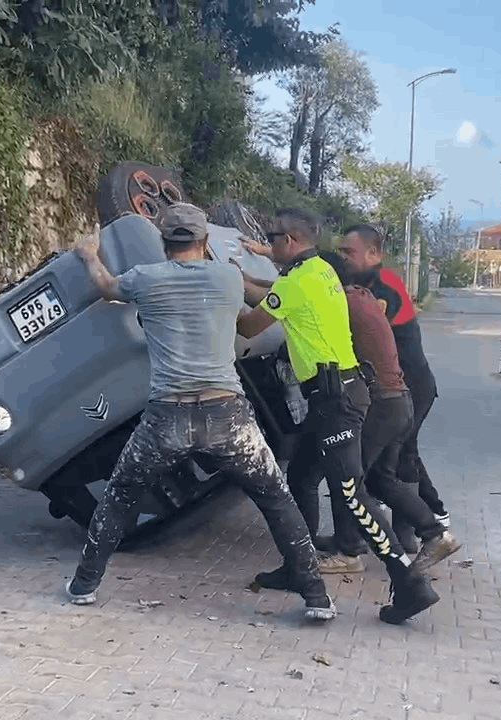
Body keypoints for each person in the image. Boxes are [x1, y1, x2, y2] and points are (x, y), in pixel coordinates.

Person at [65, 204, 336, 621]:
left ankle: (84, 584)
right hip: (227, 412)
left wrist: (87, 253)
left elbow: (106, 286)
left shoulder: (145, 279)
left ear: (163, 242)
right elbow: (259, 300)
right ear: (205, 241)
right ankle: (317, 598)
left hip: (166, 417)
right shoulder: (227, 277)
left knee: (120, 496)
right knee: (275, 497)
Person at [235, 208, 438, 625]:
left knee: (352, 494)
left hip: (337, 401)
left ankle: (411, 582)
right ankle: (299, 566)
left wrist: (216, 296)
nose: (270, 245)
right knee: (302, 477)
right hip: (335, 395)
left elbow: (251, 326)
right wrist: (241, 283)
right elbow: (273, 295)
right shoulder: (321, 272)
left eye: (272, 238)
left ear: (289, 241)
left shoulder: (296, 281)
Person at [335, 224, 450, 550]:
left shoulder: (384, 285)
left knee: (391, 460)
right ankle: (415, 532)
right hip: (397, 385)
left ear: (374, 254)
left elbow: (363, 317)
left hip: (409, 385)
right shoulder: (364, 282)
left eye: (350, 252)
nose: (345, 257)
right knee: (396, 458)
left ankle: (416, 531)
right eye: (341, 252)